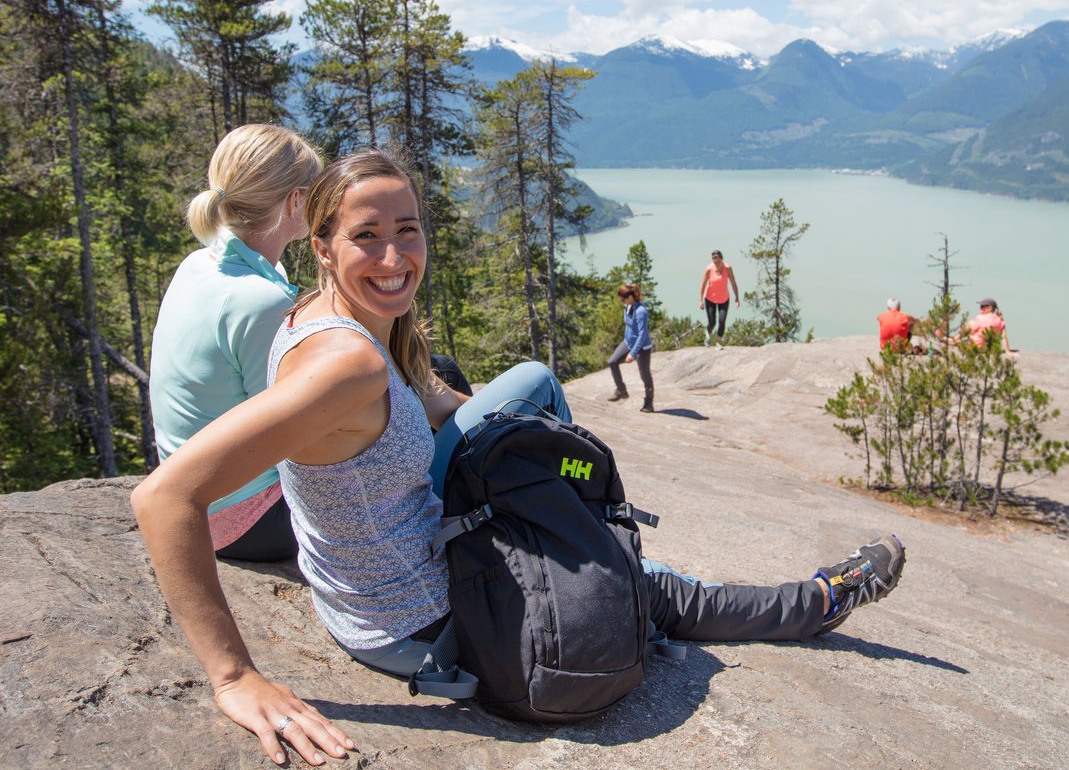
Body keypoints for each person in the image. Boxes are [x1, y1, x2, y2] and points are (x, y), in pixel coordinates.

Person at [133, 150, 904, 766]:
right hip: (422, 619)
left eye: (408, 229)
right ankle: (817, 601)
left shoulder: (320, 312)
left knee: (532, 385)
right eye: (367, 236)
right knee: (653, 592)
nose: (394, 255)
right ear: (323, 244)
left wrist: (480, 425)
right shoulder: (346, 365)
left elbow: (417, 402)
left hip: (370, 587)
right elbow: (164, 499)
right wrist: (234, 678)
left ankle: (595, 536)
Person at [148, 123, 323, 563]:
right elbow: (298, 435)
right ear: (295, 202)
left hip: (198, 495)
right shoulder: (260, 302)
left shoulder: (199, 264)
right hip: (245, 520)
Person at [607, 282, 655, 412]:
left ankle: (649, 403)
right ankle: (621, 390)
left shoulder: (641, 311)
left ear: (630, 297)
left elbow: (642, 334)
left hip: (642, 347)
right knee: (612, 362)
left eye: (623, 299)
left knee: (645, 375)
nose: (621, 301)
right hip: (628, 342)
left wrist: (632, 353)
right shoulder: (627, 307)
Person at [698, 249, 740, 348]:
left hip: (724, 299)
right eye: (714, 260)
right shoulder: (709, 269)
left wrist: (737, 298)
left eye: (717, 260)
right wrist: (700, 300)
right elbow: (703, 285)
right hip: (710, 299)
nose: (716, 262)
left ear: (722, 259)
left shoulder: (728, 268)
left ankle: (718, 342)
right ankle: (707, 336)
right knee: (712, 322)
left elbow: (733, 283)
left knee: (722, 321)